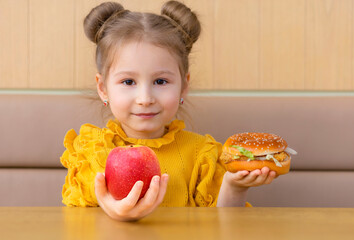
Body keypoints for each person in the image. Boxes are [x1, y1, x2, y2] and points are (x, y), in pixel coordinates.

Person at [61, 0, 277, 222]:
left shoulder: (200, 155)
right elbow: (79, 224)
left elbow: (222, 226)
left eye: (161, 81)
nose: (145, 99)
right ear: (103, 88)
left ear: (184, 85)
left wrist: (235, 187)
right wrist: (112, 212)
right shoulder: (91, 152)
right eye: (128, 82)